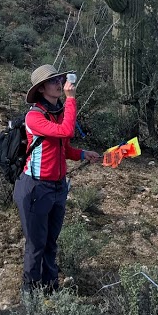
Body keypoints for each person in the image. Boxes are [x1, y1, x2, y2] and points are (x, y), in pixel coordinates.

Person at [13, 65, 100, 294]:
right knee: (35, 245)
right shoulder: (34, 116)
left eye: (60, 78)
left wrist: (82, 154)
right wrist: (71, 99)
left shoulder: (56, 112)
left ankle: (51, 287)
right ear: (41, 88)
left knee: (51, 241)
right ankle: (30, 295)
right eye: (53, 81)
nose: (59, 83)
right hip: (36, 188)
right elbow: (65, 131)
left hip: (58, 187)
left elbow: (63, 147)